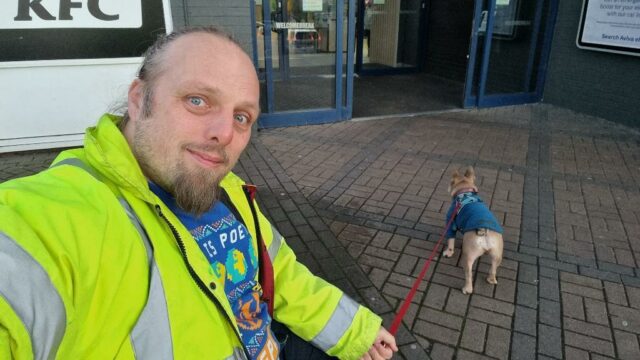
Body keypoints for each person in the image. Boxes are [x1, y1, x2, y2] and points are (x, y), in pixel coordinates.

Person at [0, 27, 398, 360]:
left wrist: (356, 330)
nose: (224, 134)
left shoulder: (230, 190)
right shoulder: (58, 217)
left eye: (241, 117)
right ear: (140, 101)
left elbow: (281, 273)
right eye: (197, 100)